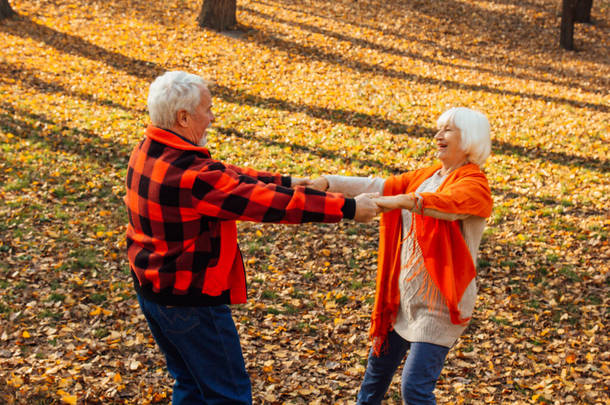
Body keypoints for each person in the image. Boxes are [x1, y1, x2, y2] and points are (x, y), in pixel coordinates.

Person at [124, 70, 379, 405]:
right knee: (228, 395)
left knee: (190, 383)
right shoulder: (192, 177)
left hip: (155, 294)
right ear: (183, 117)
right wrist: (347, 208)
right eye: (208, 109)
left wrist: (291, 181)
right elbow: (269, 206)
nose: (212, 117)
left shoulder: (148, 149)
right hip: (191, 304)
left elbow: (232, 177)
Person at [309, 107, 493, 404]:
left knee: (414, 389)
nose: (438, 135)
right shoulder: (427, 176)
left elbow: (448, 204)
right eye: (438, 129)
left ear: (469, 138)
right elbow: (378, 185)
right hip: (401, 302)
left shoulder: (474, 185)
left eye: (447, 130)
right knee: (374, 380)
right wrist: (329, 182)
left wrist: (405, 201)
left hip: (440, 308)